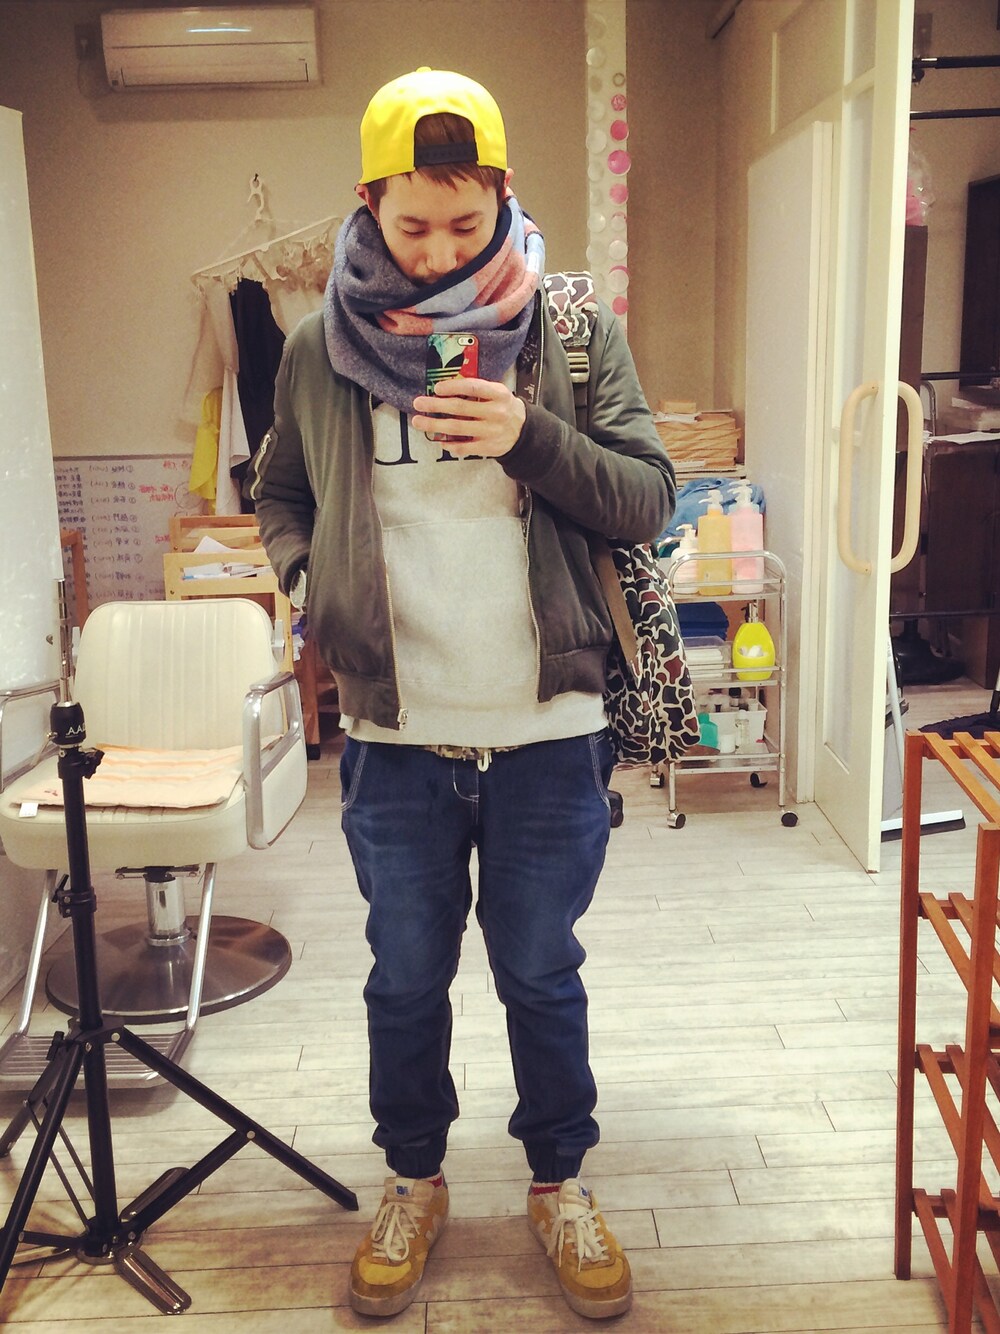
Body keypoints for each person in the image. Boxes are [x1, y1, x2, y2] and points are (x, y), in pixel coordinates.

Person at [251, 66, 675, 1321]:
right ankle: (413, 1178)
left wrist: (527, 435)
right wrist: (308, 583)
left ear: (503, 193)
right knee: (403, 975)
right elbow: (281, 492)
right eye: (411, 225)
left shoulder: (570, 329)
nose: (438, 251)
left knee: (540, 970)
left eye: (464, 222)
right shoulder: (319, 348)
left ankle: (559, 1181)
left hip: (549, 727)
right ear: (367, 201)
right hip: (395, 732)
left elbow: (649, 497)